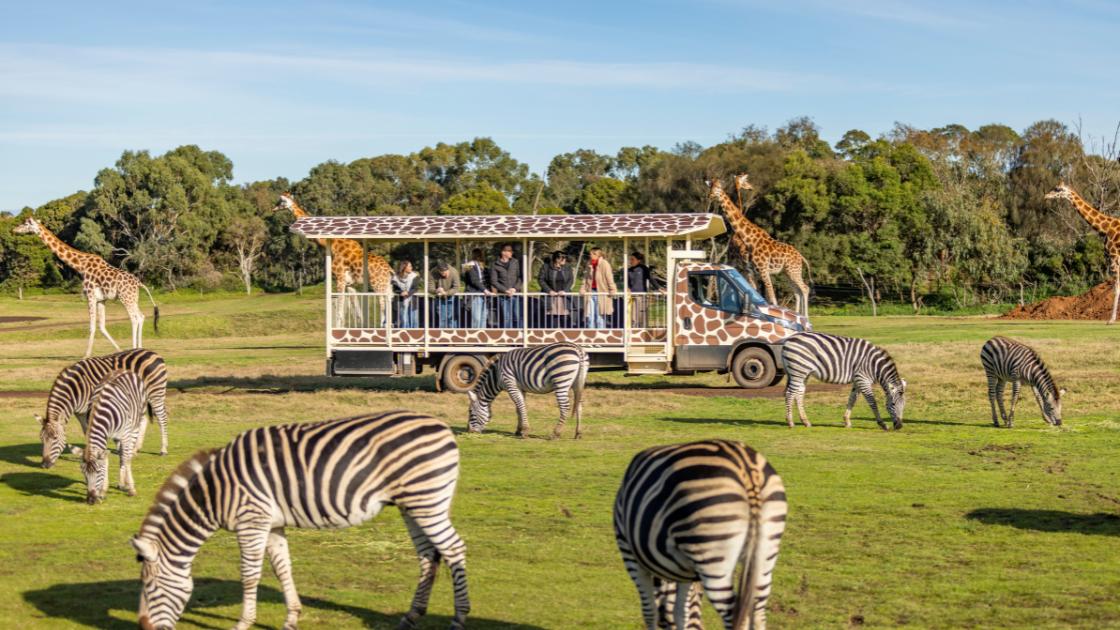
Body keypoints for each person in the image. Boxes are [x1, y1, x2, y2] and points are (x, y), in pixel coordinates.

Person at [580, 247, 617, 328]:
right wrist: (582, 289)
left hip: (601, 293)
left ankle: (601, 336)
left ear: (598, 255)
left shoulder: (605, 264)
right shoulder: (589, 264)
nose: (591, 256)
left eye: (593, 254)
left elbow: (609, 277)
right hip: (590, 292)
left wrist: (612, 289)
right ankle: (591, 336)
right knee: (590, 317)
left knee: (599, 318)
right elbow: (585, 278)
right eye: (590, 254)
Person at [538, 251, 574, 327]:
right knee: (552, 320)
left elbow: (571, 280)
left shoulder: (568, 267)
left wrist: (565, 290)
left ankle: (565, 337)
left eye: (565, 257)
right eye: (563, 258)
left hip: (563, 297)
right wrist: (549, 290)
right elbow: (541, 280)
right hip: (551, 297)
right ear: (557, 259)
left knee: (565, 319)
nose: (565, 259)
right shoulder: (546, 267)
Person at [627, 251, 663, 328]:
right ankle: (634, 331)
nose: (631, 261)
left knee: (642, 316)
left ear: (638, 260)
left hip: (642, 296)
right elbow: (627, 283)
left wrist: (659, 288)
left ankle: (643, 331)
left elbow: (651, 279)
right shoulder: (629, 270)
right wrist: (628, 289)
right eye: (630, 259)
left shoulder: (643, 268)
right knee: (633, 316)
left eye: (632, 259)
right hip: (632, 296)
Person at [490, 244, 521, 328]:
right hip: (503, 296)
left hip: (516, 294)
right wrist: (505, 290)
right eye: (510, 251)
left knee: (517, 316)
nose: (512, 252)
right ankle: (509, 337)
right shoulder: (495, 264)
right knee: (506, 318)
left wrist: (514, 288)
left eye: (511, 251)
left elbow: (520, 277)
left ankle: (520, 337)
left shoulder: (515, 262)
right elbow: (494, 281)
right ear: (503, 252)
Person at [464, 248, 490, 328]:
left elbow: (486, 279)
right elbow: (473, 280)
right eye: (479, 255)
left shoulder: (482, 266)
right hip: (475, 294)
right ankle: (475, 337)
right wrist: (484, 289)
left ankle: (482, 336)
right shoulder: (468, 265)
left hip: (484, 295)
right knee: (477, 318)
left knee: (483, 317)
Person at [430, 261, 459, 328]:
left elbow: (456, 287)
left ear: (448, 269)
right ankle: (442, 334)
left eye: (446, 272)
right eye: (442, 273)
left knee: (452, 317)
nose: (444, 274)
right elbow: (430, 287)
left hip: (452, 297)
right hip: (440, 298)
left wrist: (446, 293)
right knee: (442, 318)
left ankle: (453, 334)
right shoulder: (433, 272)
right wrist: (436, 290)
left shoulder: (454, 272)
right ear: (438, 271)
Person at [391, 260, 419, 328]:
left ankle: (414, 335)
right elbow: (395, 289)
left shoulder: (414, 276)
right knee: (403, 319)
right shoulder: (396, 277)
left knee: (413, 320)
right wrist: (401, 292)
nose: (411, 268)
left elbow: (415, 288)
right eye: (410, 266)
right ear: (404, 267)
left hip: (412, 300)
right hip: (401, 301)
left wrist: (408, 293)